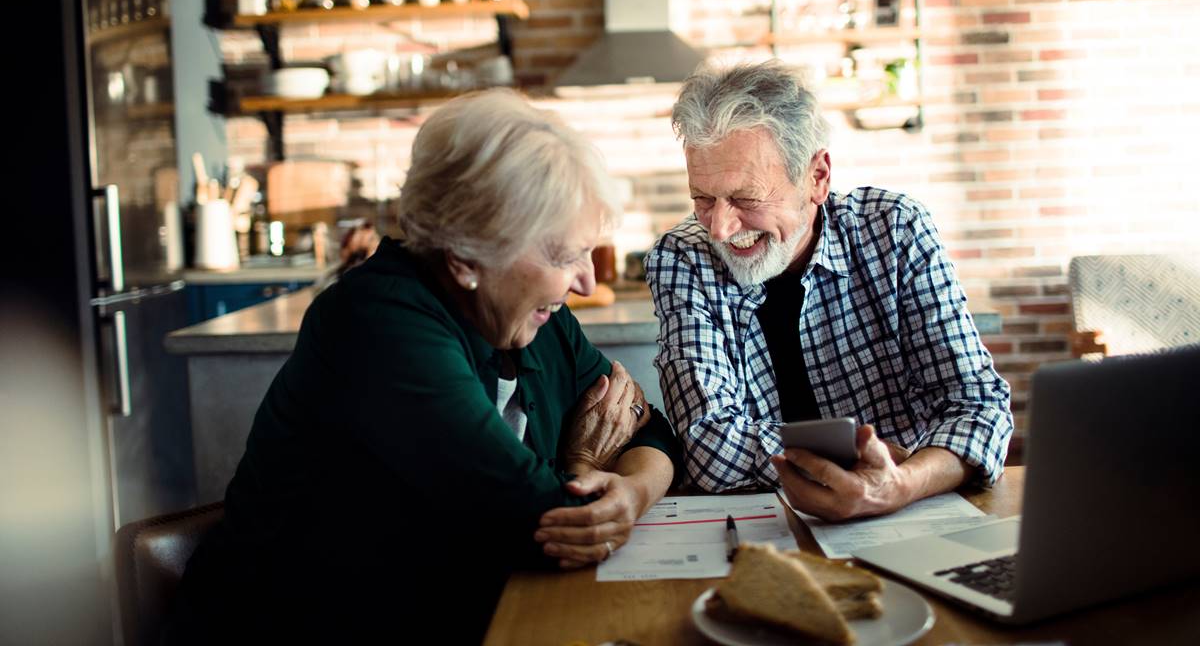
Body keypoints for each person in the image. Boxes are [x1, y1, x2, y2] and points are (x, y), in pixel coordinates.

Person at [167, 90, 680, 643]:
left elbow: (647, 427)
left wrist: (632, 493)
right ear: (466, 256)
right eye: (563, 255)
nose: (586, 282)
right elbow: (540, 526)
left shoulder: (536, 316)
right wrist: (583, 464)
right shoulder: (378, 323)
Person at [646, 60, 1012, 523]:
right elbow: (709, 449)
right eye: (702, 198)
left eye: (746, 199)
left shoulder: (895, 230)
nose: (719, 227)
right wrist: (865, 462)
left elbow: (980, 408)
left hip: (914, 513)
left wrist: (901, 484)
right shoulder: (681, 258)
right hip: (768, 527)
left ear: (817, 177)